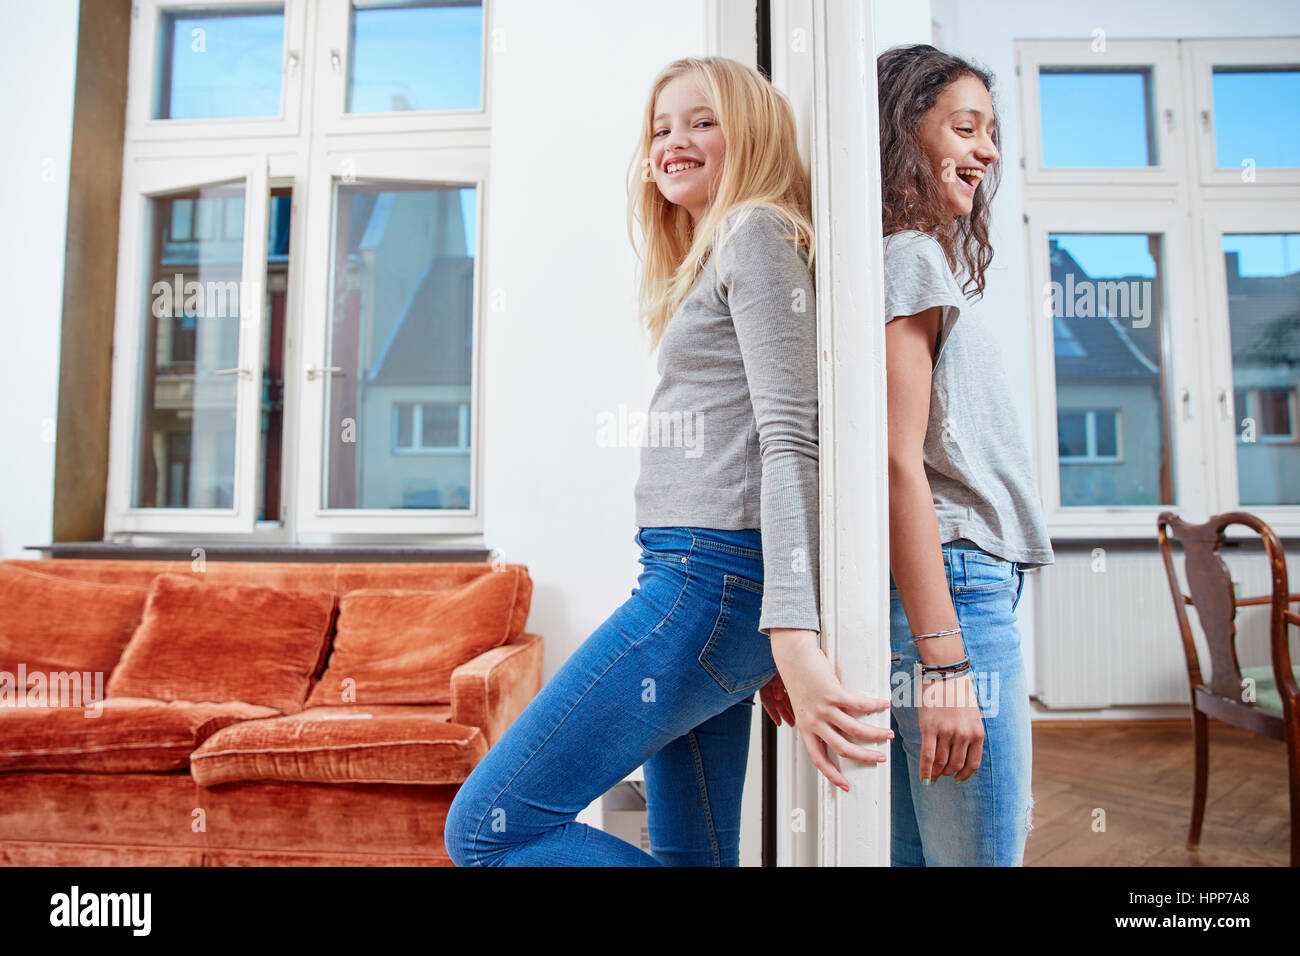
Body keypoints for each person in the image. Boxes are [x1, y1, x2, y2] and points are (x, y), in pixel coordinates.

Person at [442, 54, 892, 867]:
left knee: (485, 830)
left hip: (707, 581)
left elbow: (792, 436)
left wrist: (790, 633)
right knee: (694, 854)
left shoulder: (754, 233)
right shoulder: (721, 246)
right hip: (708, 581)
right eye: (660, 128)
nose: (673, 142)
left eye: (701, 121)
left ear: (748, 134)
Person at [873, 44, 1056, 866]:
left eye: (991, 132)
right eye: (964, 127)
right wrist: (948, 664)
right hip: (956, 597)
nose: (986, 151)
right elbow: (894, 462)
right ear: (904, 131)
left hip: (945, 594)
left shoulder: (907, 258)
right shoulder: (909, 260)